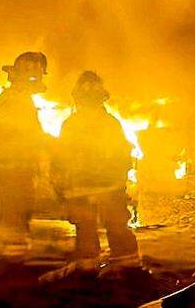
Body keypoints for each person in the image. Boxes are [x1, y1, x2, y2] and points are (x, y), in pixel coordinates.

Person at [50, 71, 141, 278]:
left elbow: (61, 158)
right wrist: (119, 179)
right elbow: (123, 153)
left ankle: (88, 267)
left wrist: (60, 184)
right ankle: (126, 265)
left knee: (86, 228)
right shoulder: (111, 123)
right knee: (114, 225)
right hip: (107, 186)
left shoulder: (71, 124)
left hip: (84, 187)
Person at [0, 51, 49, 263]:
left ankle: (11, 253)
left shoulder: (7, 98)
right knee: (17, 208)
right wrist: (53, 144)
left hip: (7, 165)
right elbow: (28, 132)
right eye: (35, 76)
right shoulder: (18, 101)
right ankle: (12, 260)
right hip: (16, 166)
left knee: (12, 210)